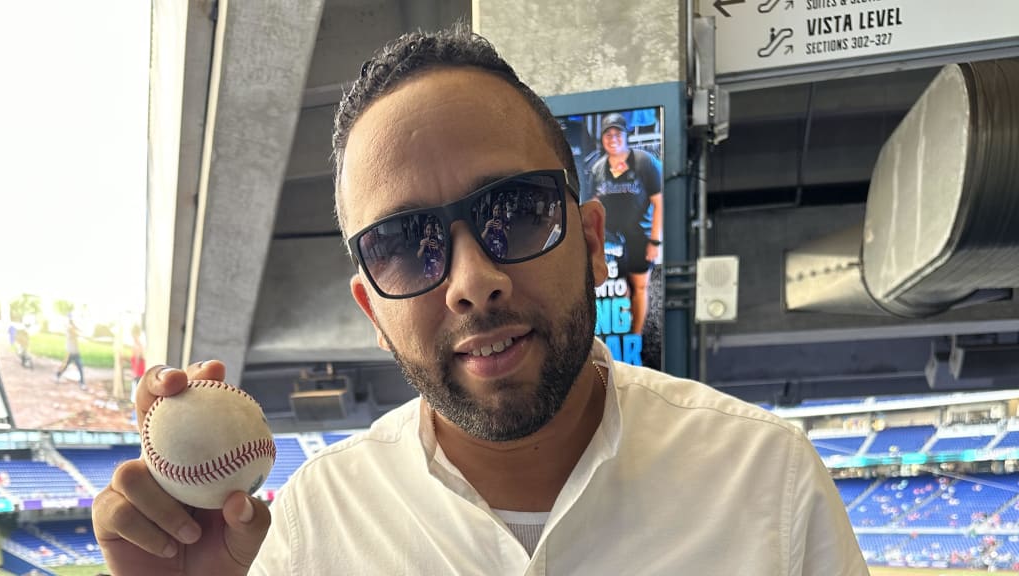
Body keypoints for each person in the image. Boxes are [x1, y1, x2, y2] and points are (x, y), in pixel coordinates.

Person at [92, 26, 867, 575]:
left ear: (593, 238)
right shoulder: (306, 531)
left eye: (519, 209)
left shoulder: (768, 482)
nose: (471, 281)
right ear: (372, 309)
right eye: (402, 242)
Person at [589, 112, 664, 336]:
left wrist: (655, 241)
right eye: (608, 134)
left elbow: (659, 203)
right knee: (619, 288)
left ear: (626, 135)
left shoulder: (645, 162)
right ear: (603, 139)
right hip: (611, 241)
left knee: (639, 287)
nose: (613, 138)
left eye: (617, 133)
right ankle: (623, 332)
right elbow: (594, 203)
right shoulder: (597, 168)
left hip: (640, 237)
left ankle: (636, 336)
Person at [55, 317, 85, 389]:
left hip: (76, 353)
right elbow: (71, 329)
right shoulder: (69, 331)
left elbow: (78, 330)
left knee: (80, 367)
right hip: (69, 354)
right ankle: (58, 375)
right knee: (65, 367)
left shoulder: (73, 330)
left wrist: (75, 326)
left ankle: (82, 383)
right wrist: (72, 326)